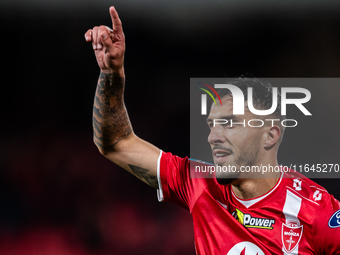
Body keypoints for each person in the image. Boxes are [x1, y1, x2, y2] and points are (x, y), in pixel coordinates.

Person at [84, 6, 340, 254]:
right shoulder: (199, 184)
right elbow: (114, 142)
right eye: (211, 125)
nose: (213, 136)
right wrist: (111, 73)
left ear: (270, 135)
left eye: (229, 123)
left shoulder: (318, 213)